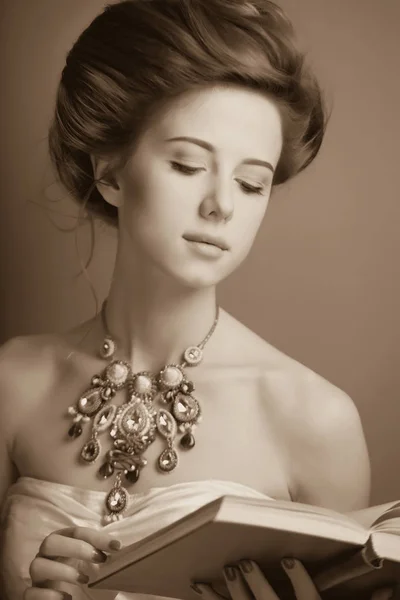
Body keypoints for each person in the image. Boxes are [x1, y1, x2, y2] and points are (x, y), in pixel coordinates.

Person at [0, 0, 396, 599]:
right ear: (109, 172)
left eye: (250, 182)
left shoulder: (315, 421)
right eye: (188, 165)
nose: (222, 205)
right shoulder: (13, 384)